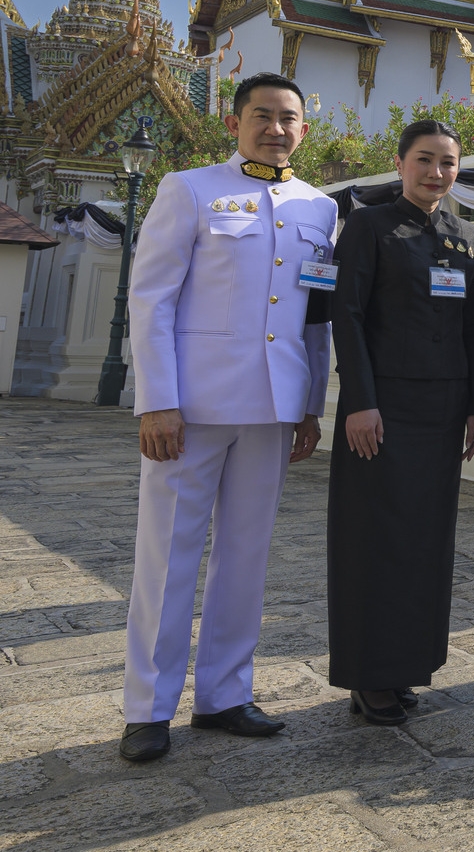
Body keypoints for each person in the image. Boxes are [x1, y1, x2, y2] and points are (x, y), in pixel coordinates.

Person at [119, 73, 335, 762]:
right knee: (168, 555)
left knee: (246, 555)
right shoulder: (190, 189)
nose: (276, 128)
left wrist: (310, 403)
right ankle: (147, 707)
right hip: (193, 407)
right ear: (234, 122)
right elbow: (151, 299)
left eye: (288, 118)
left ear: (304, 129)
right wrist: (157, 399)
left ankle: (225, 695)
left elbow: (315, 316)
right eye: (262, 116)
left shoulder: (322, 209)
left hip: (273, 407)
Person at [326, 120, 474, 725]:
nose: (436, 172)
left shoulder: (465, 234)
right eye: (424, 160)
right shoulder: (369, 226)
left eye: (448, 162)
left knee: (425, 540)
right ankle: (369, 674)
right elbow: (348, 315)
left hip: (442, 412)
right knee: (376, 538)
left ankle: (407, 665)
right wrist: (360, 401)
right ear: (400, 164)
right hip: (382, 409)